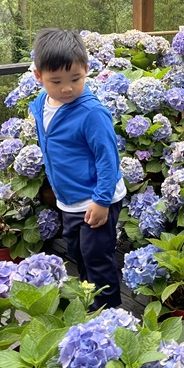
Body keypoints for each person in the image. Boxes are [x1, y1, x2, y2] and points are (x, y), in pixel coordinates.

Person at [29, 28, 125, 309]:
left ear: (86, 69)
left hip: (97, 198)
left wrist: (101, 200)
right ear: (39, 77)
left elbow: (108, 159)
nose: (67, 88)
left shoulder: (91, 113)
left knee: (97, 257)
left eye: (75, 78)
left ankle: (109, 316)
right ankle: (88, 303)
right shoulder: (40, 104)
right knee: (77, 253)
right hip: (68, 200)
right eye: (56, 81)